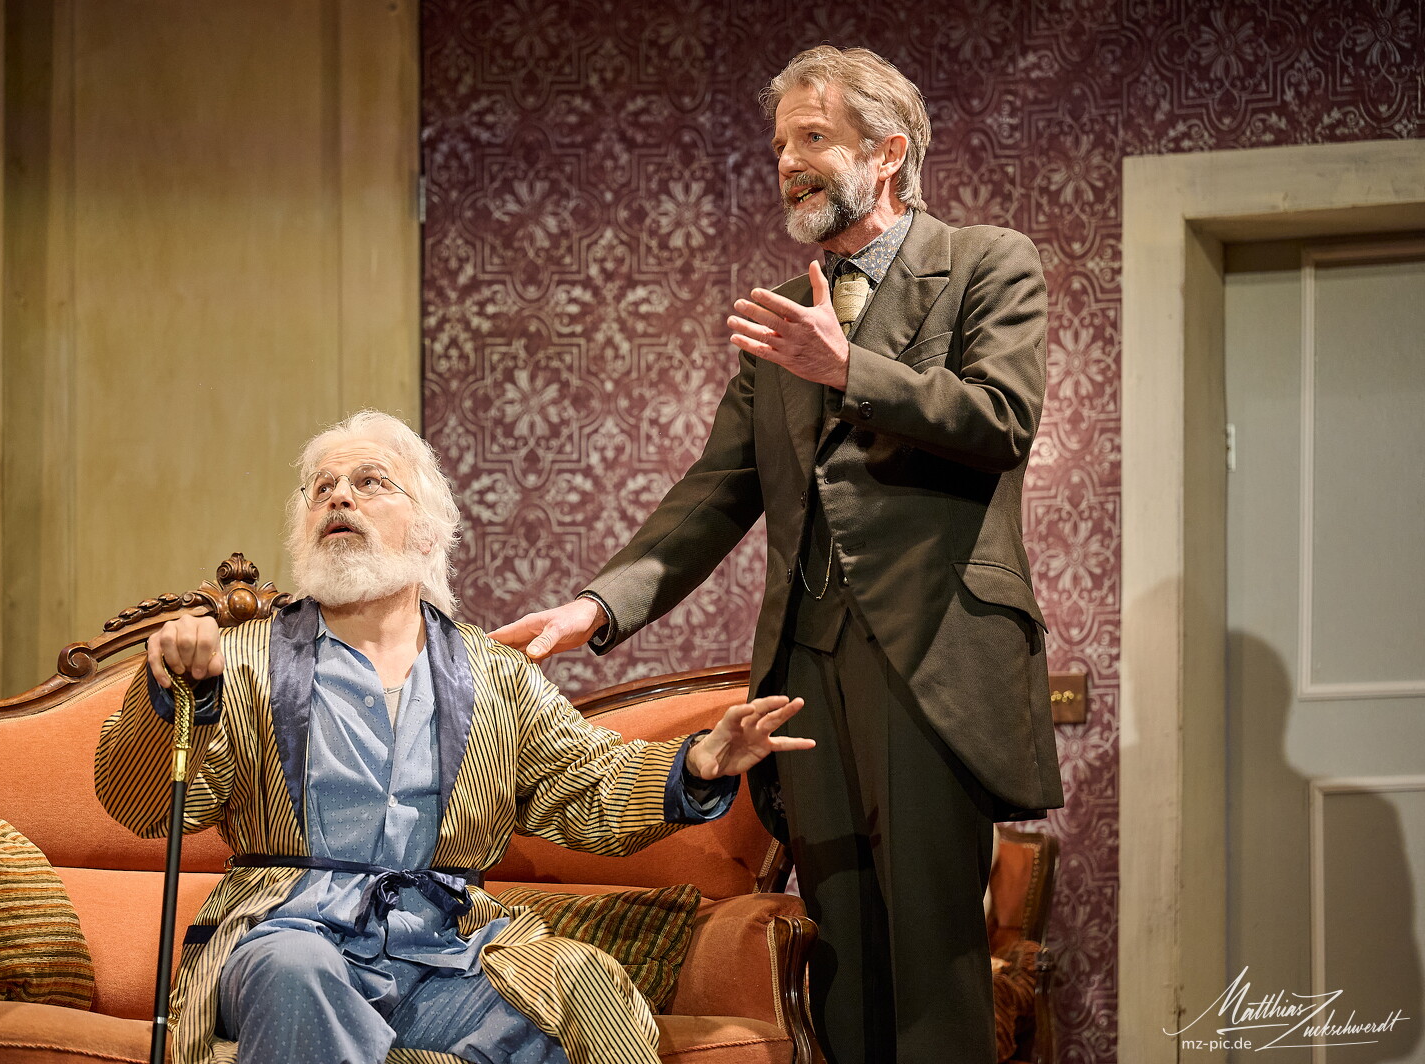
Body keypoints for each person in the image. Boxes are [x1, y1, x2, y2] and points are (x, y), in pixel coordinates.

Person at [492, 45, 1064, 1064]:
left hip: (932, 657)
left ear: (886, 153)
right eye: (779, 146)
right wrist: (597, 606)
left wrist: (851, 369)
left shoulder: (985, 262)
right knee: (843, 956)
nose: (788, 163)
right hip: (806, 667)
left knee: (932, 960)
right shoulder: (785, 312)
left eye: (812, 138)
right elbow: (716, 490)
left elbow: (1001, 418)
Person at [94, 410, 812, 1064]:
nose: (339, 498)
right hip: (292, 937)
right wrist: (173, 696)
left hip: (443, 955)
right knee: (294, 970)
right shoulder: (245, 659)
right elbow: (143, 805)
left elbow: (586, 783)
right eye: (321, 489)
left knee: (578, 983)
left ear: (429, 528)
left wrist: (698, 765)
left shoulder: (492, 674)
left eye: (369, 482)